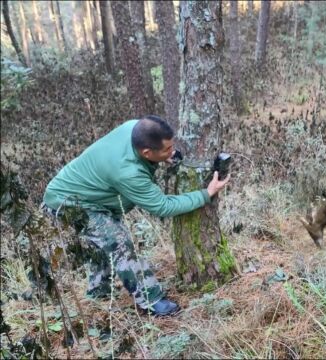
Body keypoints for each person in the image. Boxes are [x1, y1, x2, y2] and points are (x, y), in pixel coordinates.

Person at [42, 115, 230, 316]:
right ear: (147, 152)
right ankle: (152, 300)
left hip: (84, 196)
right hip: (68, 204)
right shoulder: (127, 172)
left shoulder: (135, 129)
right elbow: (162, 206)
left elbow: (144, 162)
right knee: (118, 242)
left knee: (103, 246)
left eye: (171, 146)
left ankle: (98, 293)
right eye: (167, 150)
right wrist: (206, 193)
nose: (172, 152)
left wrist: (163, 156)